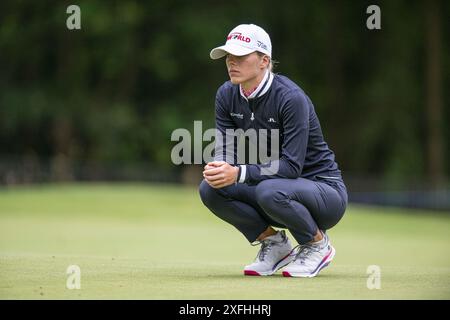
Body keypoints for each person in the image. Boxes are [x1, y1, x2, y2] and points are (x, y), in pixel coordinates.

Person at [199, 24, 348, 278]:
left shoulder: (290, 97)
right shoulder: (226, 94)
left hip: (325, 192)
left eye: (241, 56)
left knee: (269, 190)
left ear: (263, 61)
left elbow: (291, 166)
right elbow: (226, 148)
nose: (231, 62)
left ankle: (316, 244)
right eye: (229, 56)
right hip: (279, 188)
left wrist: (239, 173)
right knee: (210, 188)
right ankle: (275, 245)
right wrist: (220, 167)